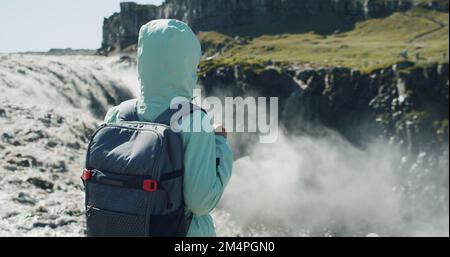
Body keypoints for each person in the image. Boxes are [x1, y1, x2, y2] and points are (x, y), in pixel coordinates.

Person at [103, 19, 233, 237]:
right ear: (188, 64)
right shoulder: (193, 120)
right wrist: (220, 144)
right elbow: (201, 202)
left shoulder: (117, 114)